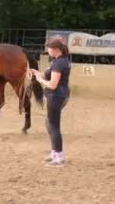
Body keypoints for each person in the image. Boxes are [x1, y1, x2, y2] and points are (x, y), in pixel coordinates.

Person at [29, 38, 71, 167]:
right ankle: (55, 152)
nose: (47, 51)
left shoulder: (59, 63)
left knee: (53, 125)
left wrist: (40, 80)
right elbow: (49, 76)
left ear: (56, 49)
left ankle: (59, 157)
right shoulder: (60, 61)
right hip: (59, 95)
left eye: (49, 49)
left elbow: (52, 85)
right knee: (49, 123)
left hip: (55, 96)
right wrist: (37, 73)